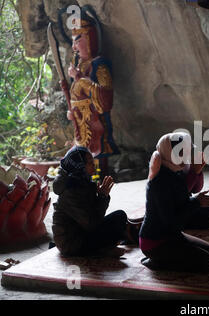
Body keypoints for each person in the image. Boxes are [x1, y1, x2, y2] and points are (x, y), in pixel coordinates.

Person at [139, 133, 209, 271]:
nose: (185, 156)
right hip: (154, 241)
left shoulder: (176, 171)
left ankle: (161, 259)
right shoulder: (160, 181)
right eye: (180, 152)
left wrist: (198, 199)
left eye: (185, 152)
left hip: (171, 234)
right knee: (205, 259)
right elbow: (172, 223)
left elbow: (190, 194)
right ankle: (155, 261)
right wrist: (197, 202)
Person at [58, 6, 120, 176]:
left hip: (95, 121)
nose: (74, 47)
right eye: (73, 42)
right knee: (81, 156)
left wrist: (79, 79)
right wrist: (72, 111)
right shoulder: (79, 65)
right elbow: (76, 96)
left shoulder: (99, 64)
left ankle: (101, 178)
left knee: (98, 157)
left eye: (78, 40)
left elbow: (105, 99)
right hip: (80, 123)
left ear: (90, 38)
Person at [52, 147, 138, 257]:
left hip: (81, 233)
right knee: (118, 218)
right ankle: (100, 250)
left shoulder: (81, 182)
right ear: (79, 165)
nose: (94, 165)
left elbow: (93, 216)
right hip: (72, 244)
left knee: (119, 217)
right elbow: (92, 223)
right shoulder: (71, 190)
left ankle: (106, 247)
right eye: (90, 162)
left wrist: (100, 196)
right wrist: (102, 197)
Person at [147, 133, 209, 230]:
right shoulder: (162, 172)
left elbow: (196, 189)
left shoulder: (180, 164)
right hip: (172, 214)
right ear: (170, 151)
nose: (186, 154)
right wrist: (194, 172)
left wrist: (198, 171)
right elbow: (180, 195)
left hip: (181, 206)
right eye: (181, 151)